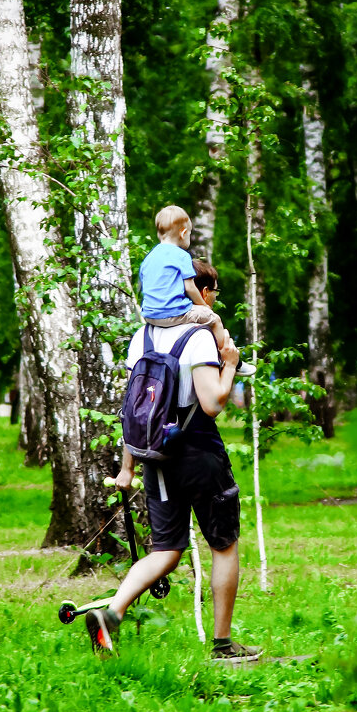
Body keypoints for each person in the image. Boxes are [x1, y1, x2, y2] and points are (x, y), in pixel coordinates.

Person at [86, 261, 261, 662]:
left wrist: (128, 468)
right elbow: (212, 403)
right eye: (212, 290)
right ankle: (222, 645)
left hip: (154, 456)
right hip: (198, 452)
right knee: (223, 545)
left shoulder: (141, 338)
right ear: (196, 290)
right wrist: (230, 364)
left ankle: (111, 612)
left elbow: (134, 409)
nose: (214, 298)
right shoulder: (198, 339)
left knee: (165, 550)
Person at [139, 204, 254, 376]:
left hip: (149, 316)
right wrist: (204, 307)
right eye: (190, 234)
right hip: (172, 313)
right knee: (214, 320)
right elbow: (190, 287)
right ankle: (229, 359)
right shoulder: (181, 256)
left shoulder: (149, 258)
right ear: (183, 233)